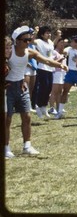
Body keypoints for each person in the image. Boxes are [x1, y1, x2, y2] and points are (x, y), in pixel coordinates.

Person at [5, 26, 68, 158]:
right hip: (8, 88)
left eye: (30, 39)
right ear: (17, 40)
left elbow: (46, 60)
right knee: (7, 120)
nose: (29, 42)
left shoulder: (30, 53)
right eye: (26, 40)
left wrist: (60, 65)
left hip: (22, 86)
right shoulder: (9, 53)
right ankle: (6, 148)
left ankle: (27, 146)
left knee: (27, 117)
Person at [58, 35, 77, 119]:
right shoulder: (69, 49)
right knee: (65, 91)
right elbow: (63, 52)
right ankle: (60, 112)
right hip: (70, 72)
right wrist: (62, 44)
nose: (71, 43)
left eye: (72, 41)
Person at [32, 25, 55, 119]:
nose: (49, 34)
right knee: (43, 87)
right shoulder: (39, 41)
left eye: (49, 32)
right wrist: (35, 32)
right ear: (42, 34)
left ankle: (44, 107)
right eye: (47, 33)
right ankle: (38, 106)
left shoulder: (50, 42)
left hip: (50, 68)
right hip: (42, 67)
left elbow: (51, 54)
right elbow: (31, 41)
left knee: (49, 88)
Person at [48, 37, 68, 116]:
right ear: (57, 44)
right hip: (56, 73)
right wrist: (60, 59)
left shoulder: (62, 53)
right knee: (54, 91)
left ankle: (58, 108)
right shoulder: (54, 52)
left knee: (60, 92)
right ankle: (52, 108)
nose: (62, 44)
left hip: (62, 73)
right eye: (61, 43)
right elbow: (51, 62)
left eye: (63, 43)